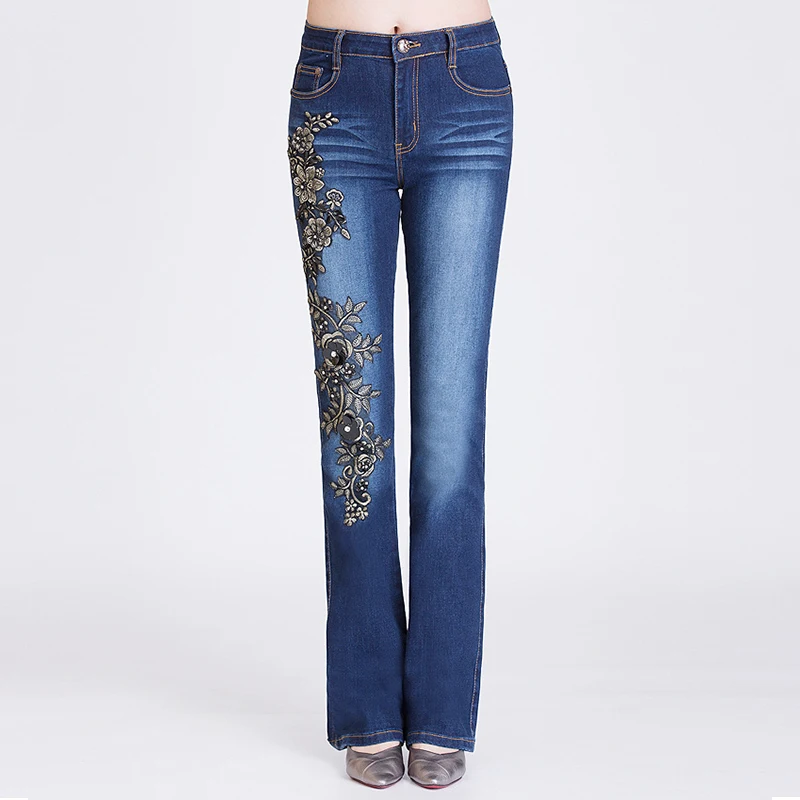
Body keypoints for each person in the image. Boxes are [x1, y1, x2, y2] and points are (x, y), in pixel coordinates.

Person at [286, 0, 513, 788]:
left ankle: (443, 713)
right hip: (333, 96)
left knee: (451, 431)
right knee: (353, 431)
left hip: (466, 94)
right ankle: (369, 709)